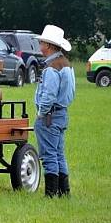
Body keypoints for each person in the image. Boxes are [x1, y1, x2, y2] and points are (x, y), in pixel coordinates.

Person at [33, 25, 75, 198]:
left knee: (49, 154)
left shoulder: (51, 67)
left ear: (48, 45)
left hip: (49, 116)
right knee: (59, 153)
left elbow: (49, 94)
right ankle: (63, 192)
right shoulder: (66, 64)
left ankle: (50, 193)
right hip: (62, 113)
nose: (40, 45)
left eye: (42, 42)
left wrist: (41, 113)